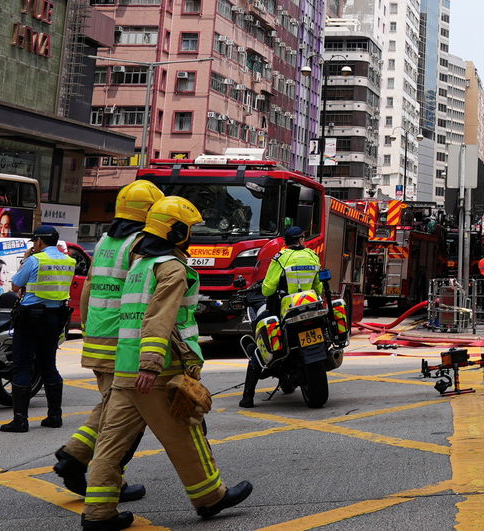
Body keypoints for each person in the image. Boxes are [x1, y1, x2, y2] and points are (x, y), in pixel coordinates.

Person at [83, 195, 252, 531]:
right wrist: (151, 364)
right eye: (188, 229)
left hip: (124, 370)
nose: (191, 235)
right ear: (175, 233)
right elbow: (158, 319)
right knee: (186, 435)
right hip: (157, 372)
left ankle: (98, 515)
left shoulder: (139, 266)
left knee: (110, 444)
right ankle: (210, 497)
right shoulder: (172, 269)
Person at [53, 180, 162, 500]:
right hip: (123, 342)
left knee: (111, 407)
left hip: (99, 337)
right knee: (126, 417)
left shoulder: (104, 242)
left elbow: (87, 287)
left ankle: (75, 456)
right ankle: (101, 475)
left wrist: (87, 328)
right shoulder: (139, 245)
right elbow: (142, 295)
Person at [2, 225, 75, 433]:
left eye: (34, 242)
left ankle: (20, 420)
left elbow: (16, 286)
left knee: (22, 365)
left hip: (30, 318)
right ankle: (54, 416)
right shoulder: (69, 261)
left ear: (39, 242)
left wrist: (26, 258)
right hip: (55, 318)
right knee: (48, 365)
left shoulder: (35, 260)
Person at [240, 225, 322, 408]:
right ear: (301, 239)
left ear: (286, 242)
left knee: (261, 342)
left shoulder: (280, 258)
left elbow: (268, 289)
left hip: (287, 311)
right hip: (310, 307)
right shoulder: (312, 256)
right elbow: (318, 287)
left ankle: (248, 397)